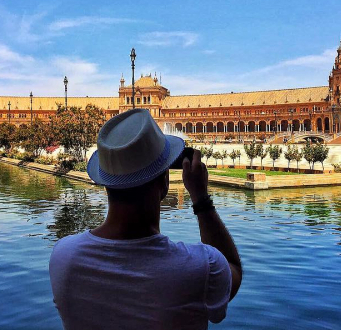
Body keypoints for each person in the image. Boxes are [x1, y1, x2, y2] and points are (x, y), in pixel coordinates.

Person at [49, 109, 242, 330]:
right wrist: (201, 199)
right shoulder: (200, 267)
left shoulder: (63, 257)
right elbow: (232, 269)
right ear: (164, 181)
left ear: (107, 184)